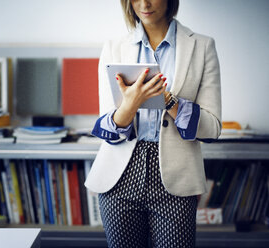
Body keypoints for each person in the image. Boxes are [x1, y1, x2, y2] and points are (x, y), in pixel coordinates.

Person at [84, 0, 221, 247]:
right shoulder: (114, 47)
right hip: (119, 178)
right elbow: (108, 129)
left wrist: (169, 100)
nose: (144, 4)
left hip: (176, 180)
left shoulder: (202, 46)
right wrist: (131, 103)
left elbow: (212, 129)